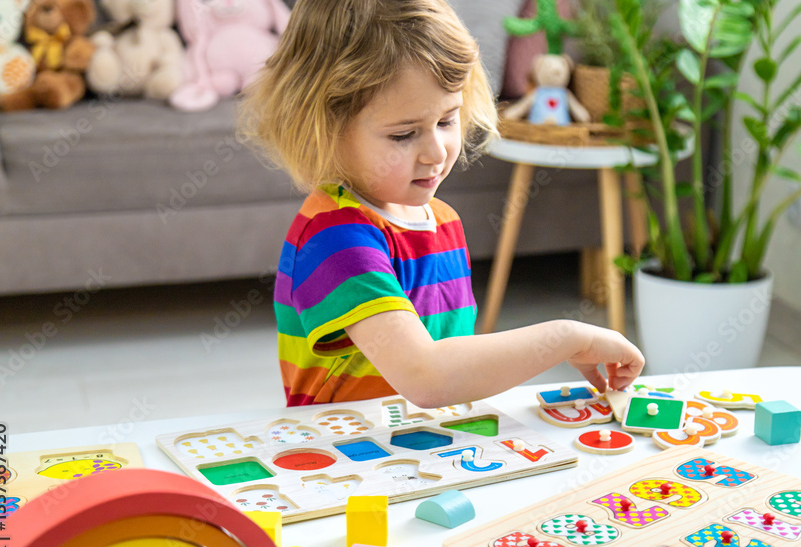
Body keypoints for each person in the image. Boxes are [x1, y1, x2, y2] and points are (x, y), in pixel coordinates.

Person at [238, 0, 644, 408]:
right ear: (324, 127)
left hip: (431, 453)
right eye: (403, 134)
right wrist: (568, 338)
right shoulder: (334, 238)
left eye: (447, 120)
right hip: (352, 460)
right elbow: (428, 377)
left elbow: (456, 370)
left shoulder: (442, 221)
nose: (436, 152)